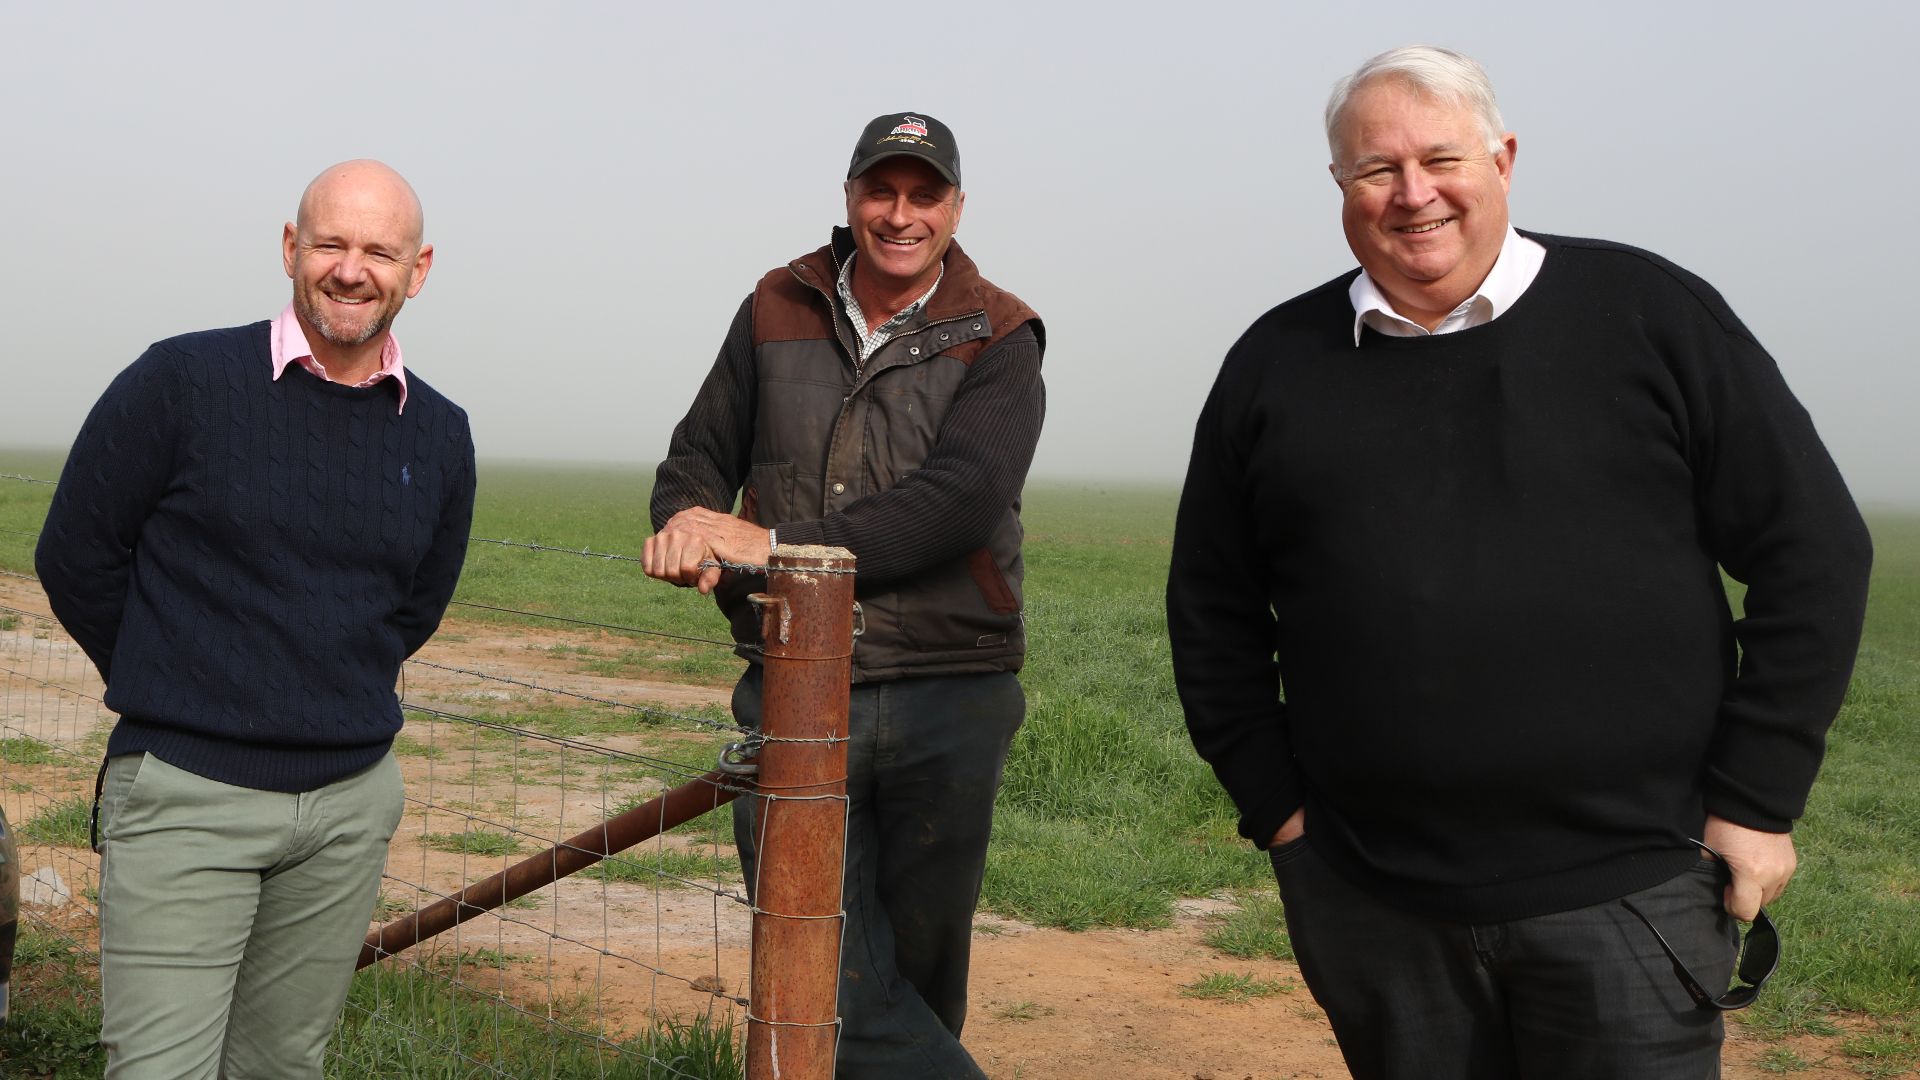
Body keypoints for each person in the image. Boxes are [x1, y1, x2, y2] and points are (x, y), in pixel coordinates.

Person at [1167, 45, 1872, 1079]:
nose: (1414, 196)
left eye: (1442, 159)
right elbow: (1212, 607)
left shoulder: (1650, 315)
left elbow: (1814, 547)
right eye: (1377, 170)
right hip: (1375, 902)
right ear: (1339, 187)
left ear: (1502, 158)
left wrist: (1759, 800)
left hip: (1631, 890)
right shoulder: (1277, 362)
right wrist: (1280, 814)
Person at [36, 159, 474, 1079]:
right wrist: (183, 675)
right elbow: (75, 554)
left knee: (283, 1068)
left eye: (379, 251)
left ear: (418, 269)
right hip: (187, 796)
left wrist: (320, 688)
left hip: (349, 809)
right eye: (330, 243)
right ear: (289, 248)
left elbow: (414, 605)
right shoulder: (182, 380)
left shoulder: (439, 431)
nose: (351, 270)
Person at [645, 112, 1044, 1079]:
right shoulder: (776, 304)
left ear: (957, 207)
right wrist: (689, 525)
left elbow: (952, 507)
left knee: (918, 965)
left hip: (950, 686)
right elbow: (699, 453)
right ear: (851, 195)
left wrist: (772, 546)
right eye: (881, 190)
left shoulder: (1001, 333)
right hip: (792, 681)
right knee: (815, 958)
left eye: (924, 194)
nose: (900, 214)